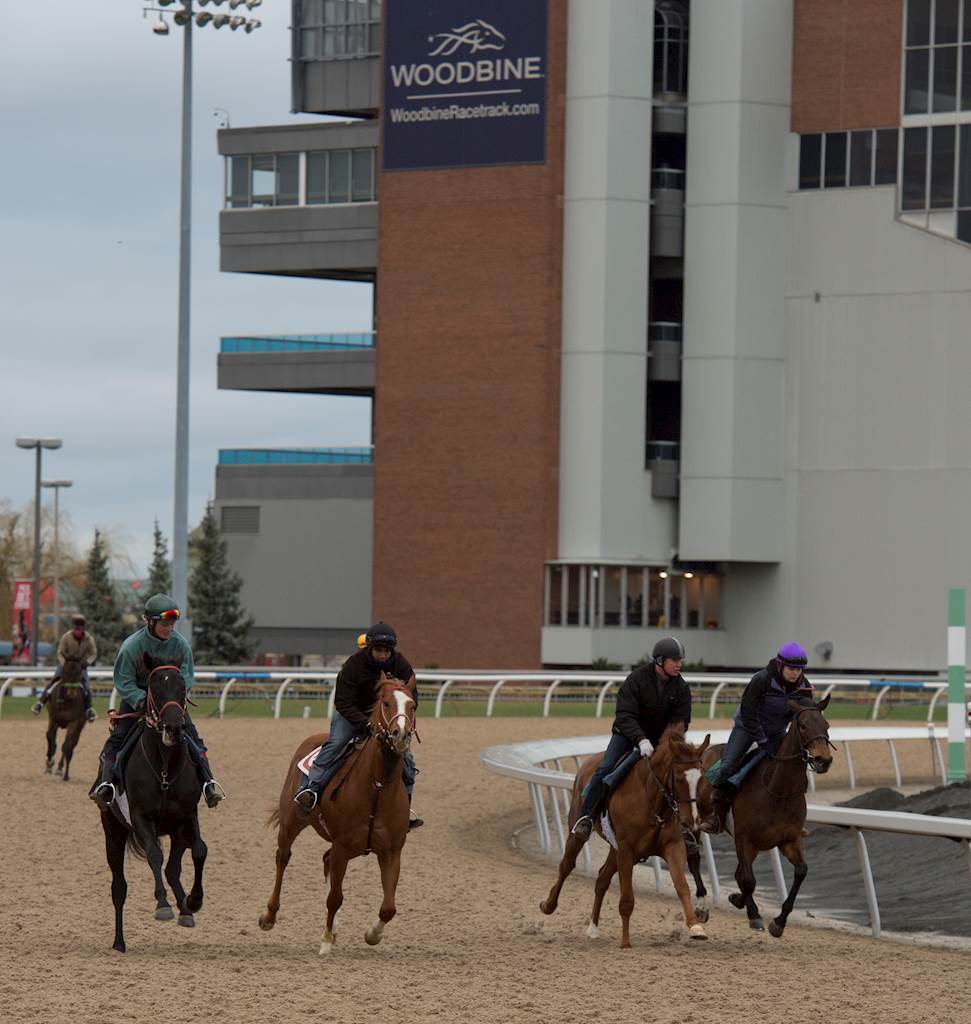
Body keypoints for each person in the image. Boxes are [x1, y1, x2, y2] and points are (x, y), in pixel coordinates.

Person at [89, 594, 226, 812]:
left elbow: (186, 676)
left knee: (192, 736)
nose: (168, 627)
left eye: (171, 623)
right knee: (117, 739)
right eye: (163, 623)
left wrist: (174, 700)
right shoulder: (131, 646)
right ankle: (105, 785)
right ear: (149, 622)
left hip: (168, 700)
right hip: (138, 699)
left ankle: (209, 784)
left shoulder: (180, 645)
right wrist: (142, 700)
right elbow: (123, 680)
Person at [294, 621, 423, 829]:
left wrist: (403, 715)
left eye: (386, 651)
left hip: (386, 717)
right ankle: (310, 790)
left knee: (406, 759)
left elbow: (411, 695)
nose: (382, 655)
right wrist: (365, 724)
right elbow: (343, 702)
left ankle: (404, 810)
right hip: (351, 715)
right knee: (336, 743)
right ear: (370, 648)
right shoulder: (353, 665)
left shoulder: (401, 664)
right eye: (378, 651)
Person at [571, 636, 692, 843]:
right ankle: (586, 817)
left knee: (677, 775)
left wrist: (664, 746)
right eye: (674, 659)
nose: (679, 664)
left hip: (659, 742)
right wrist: (641, 739)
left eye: (680, 659)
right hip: (626, 735)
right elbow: (625, 715)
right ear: (660, 661)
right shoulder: (637, 679)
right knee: (605, 767)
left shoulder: (681, 688)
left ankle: (683, 826)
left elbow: (680, 722)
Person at [699, 642, 815, 833]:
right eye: (792, 668)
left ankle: (790, 819)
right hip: (747, 727)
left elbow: (805, 714)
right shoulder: (761, 680)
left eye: (799, 669)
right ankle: (715, 814)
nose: (795, 673)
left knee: (792, 764)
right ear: (780, 665)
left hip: (776, 731)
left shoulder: (804, 686)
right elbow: (748, 713)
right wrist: (761, 740)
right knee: (728, 766)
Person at [32, 614, 98, 722]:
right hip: (66, 664)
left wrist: (87, 662)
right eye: (75, 629)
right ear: (73, 628)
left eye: (79, 629)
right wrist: (64, 664)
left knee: (86, 685)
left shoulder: (89, 639)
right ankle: (40, 703)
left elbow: (93, 654)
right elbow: (60, 653)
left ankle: (89, 709)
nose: (77, 631)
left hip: (80, 666)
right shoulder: (66, 637)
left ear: (82, 629)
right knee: (54, 681)